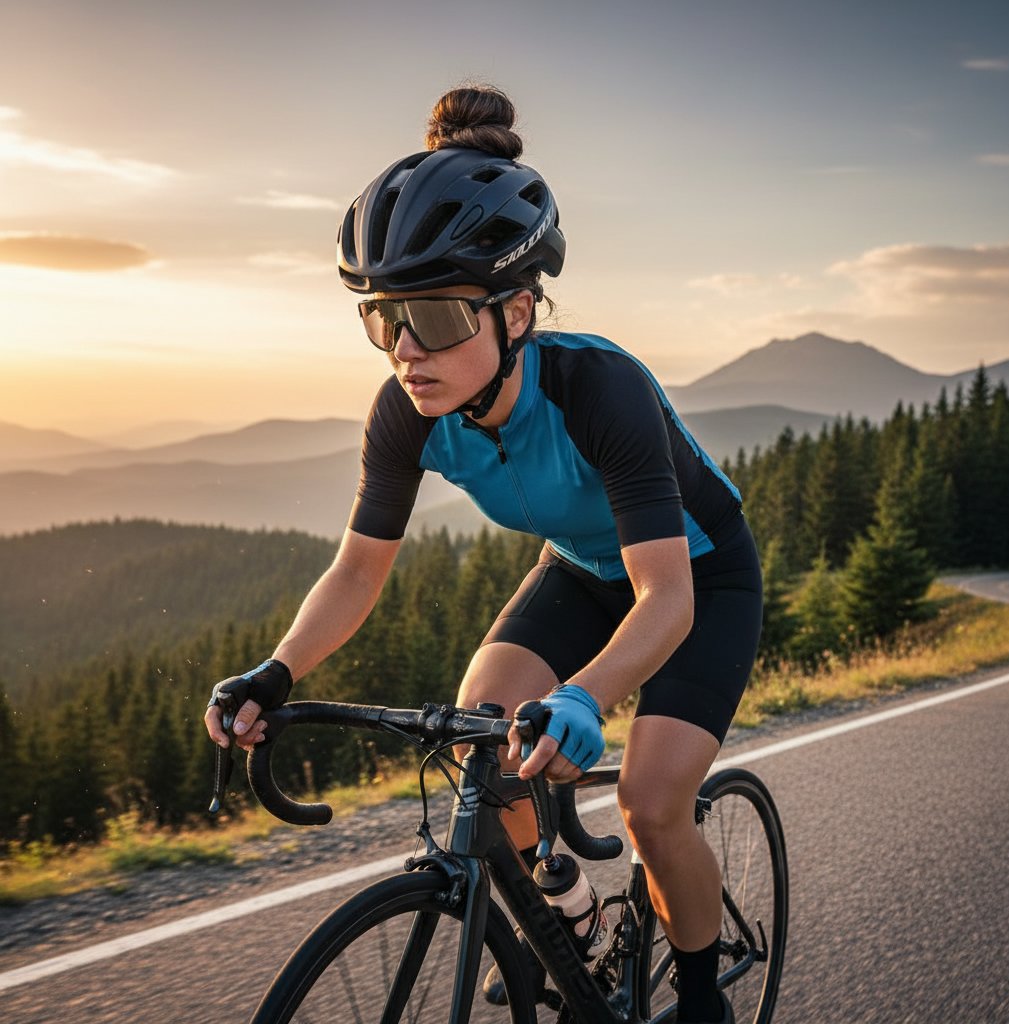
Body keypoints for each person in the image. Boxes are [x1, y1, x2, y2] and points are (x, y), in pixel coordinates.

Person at [205, 84, 761, 1024]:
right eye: (383, 318)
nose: (405, 350)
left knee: (651, 805)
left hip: (697, 576)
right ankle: (573, 919)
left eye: (437, 318)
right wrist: (277, 671)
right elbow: (356, 571)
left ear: (518, 311)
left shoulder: (601, 388)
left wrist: (587, 694)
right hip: (583, 570)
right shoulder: (407, 413)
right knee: (481, 738)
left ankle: (702, 997)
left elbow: (665, 596)